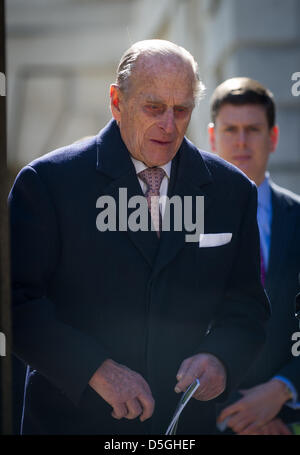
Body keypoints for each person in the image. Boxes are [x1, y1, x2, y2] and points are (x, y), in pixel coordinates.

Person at [9, 40, 269, 435]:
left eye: (181, 110)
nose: (169, 125)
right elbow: (17, 304)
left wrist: (220, 359)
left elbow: (247, 309)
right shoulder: (46, 184)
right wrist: (94, 369)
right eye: (154, 108)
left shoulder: (232, 191)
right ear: (116, 101)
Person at [208, 77, 300, 435]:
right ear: (213, 137)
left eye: (253, 129)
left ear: (273, 137)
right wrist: (238, 413)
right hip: (205, 421)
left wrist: (281, 391)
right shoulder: (179, 219)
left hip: (284, 422)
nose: (242, 141)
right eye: (231, 129)